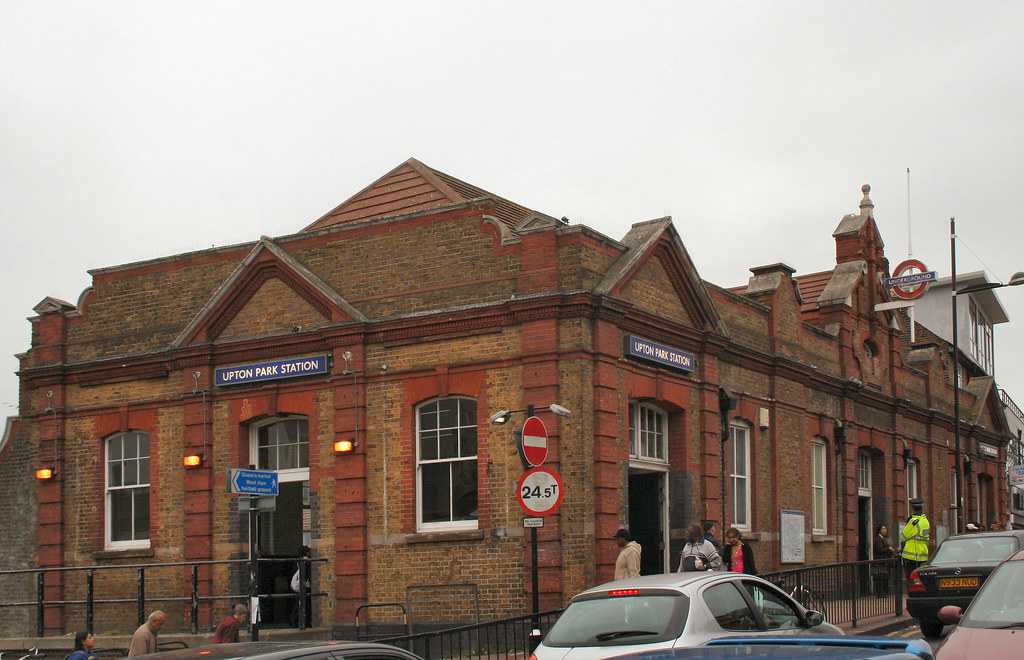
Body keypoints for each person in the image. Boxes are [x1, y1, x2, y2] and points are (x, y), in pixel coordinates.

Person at [900, 498, 930, 584]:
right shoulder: (925, 521)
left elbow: (903, 537)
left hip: (912, 554)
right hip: (922, 553)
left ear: (912, 508)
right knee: (920, 578)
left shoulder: (914, 521)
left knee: (911, 579)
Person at [289, 545, 312, 628]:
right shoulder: (308, 561)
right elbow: (308, 574)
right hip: (305, 585)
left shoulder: (297, 561)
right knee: (306, 603)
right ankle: (304, 621)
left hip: (295, 585)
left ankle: (294, 620)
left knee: (297, 603)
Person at [872, 523, 895, 597]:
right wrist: (888, 549)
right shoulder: (878, 539)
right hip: (880, 562)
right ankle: (881, 593)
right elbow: (880, 549)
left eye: (885, 529)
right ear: (879, 531)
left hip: (883, 561)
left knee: (884, 577)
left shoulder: (882, 539)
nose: (885, 530)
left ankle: (883, 593)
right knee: (880, 577)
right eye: (883, 529)